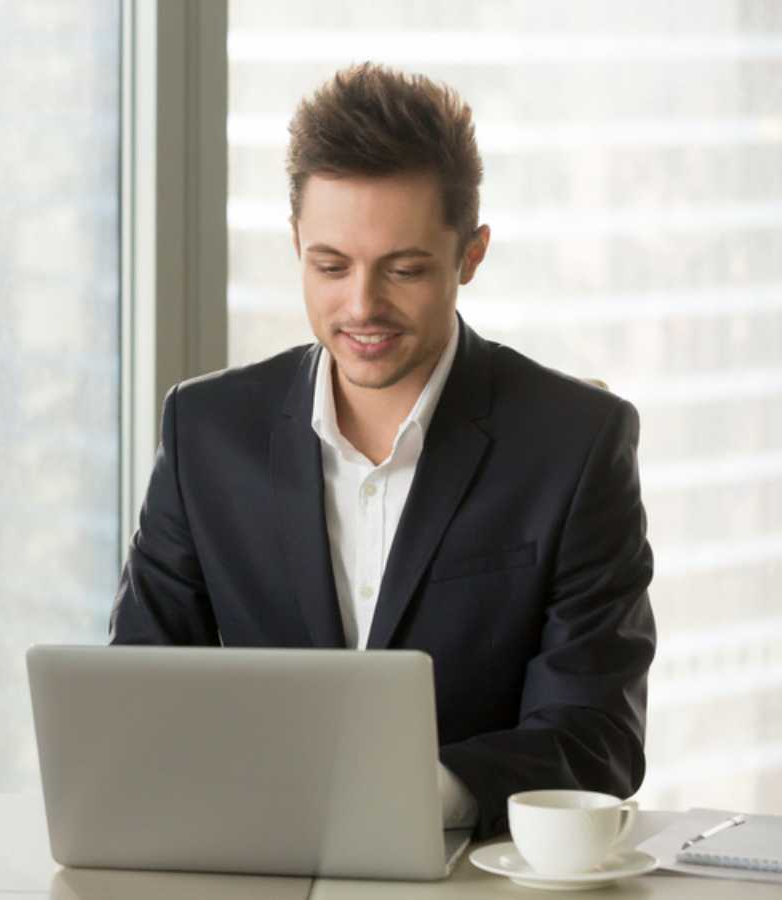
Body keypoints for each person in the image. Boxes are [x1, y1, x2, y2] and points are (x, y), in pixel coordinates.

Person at [110, 62, 654, 839]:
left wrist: (425, 794)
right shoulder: (205, 431)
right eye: (329, 266)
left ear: (471, 255)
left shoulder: (576, 442)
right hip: (250, 862)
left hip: (470, 875)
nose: (362, 305)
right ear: (295, 242)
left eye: (404, 269)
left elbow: (599, 735)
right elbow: (140, 692)